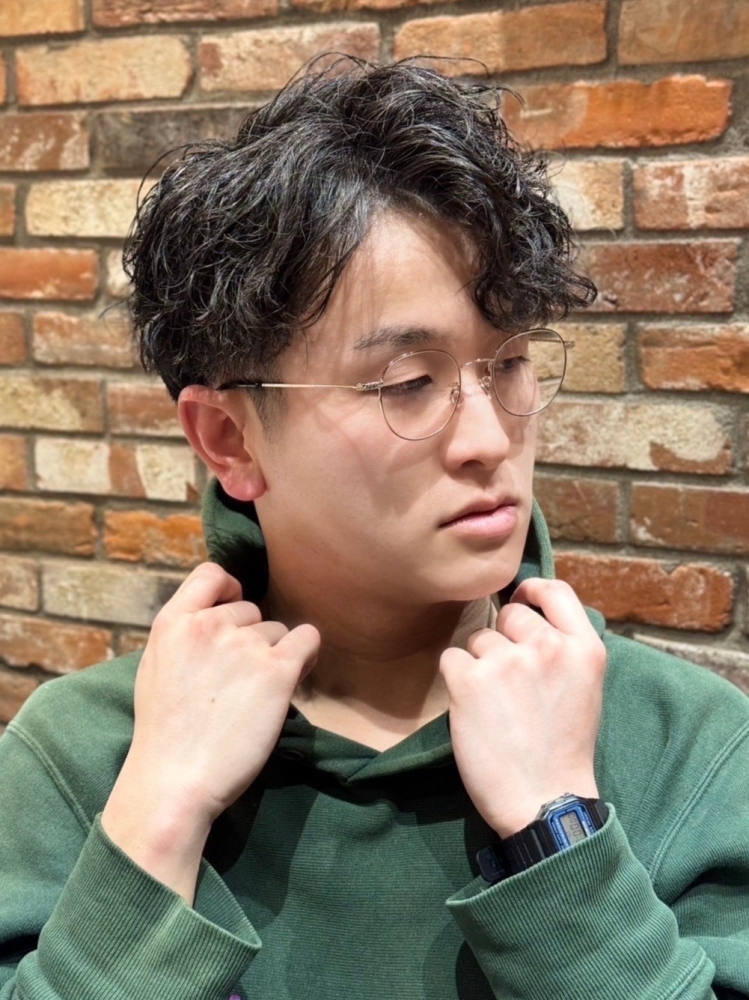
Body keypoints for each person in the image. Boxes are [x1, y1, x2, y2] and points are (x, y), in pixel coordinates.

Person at [1, 58, 748, 1000]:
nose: (488, 440)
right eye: (407, 384)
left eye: (509, 363)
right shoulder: (84, 758)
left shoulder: (684, 745)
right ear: (229, 438)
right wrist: (159, 816)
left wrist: (557, 829)